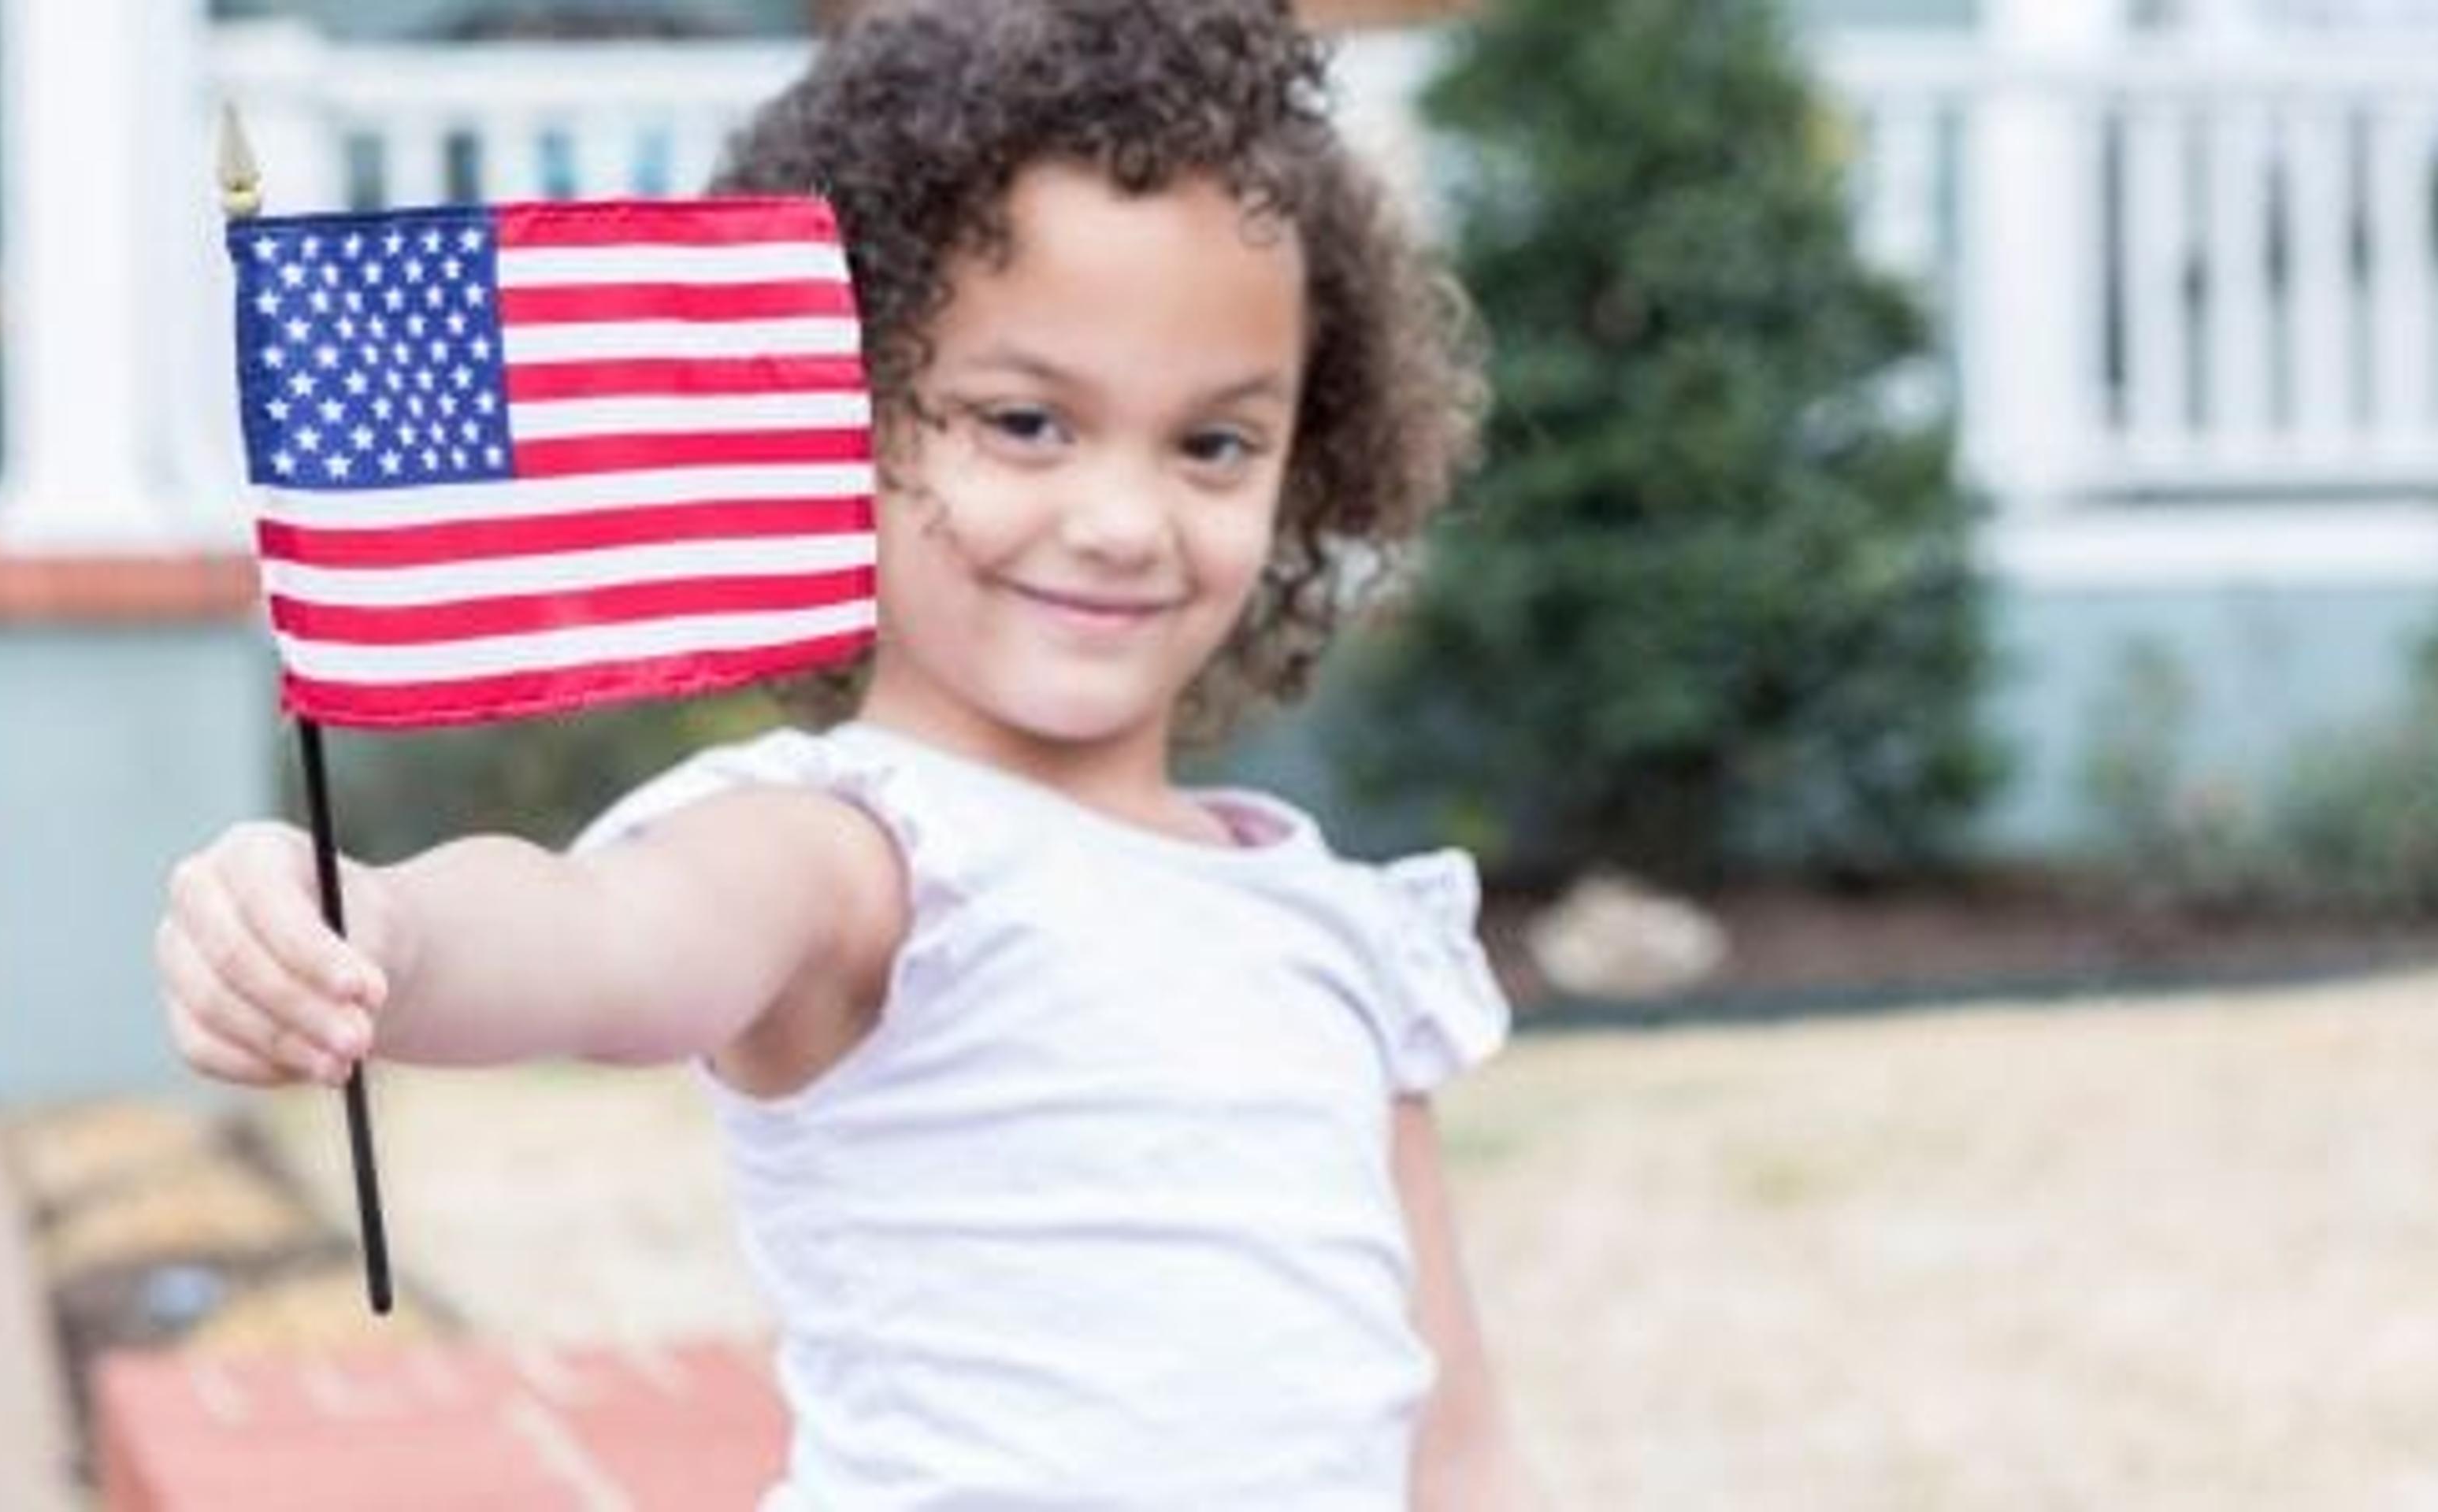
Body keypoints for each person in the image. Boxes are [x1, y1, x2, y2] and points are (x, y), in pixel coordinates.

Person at [156, 1, 1535, 1505]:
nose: (1126, 520)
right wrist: (385, 932)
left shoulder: (1339, 919)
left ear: (1312, 449)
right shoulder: (860, 846)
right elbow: (608, 936)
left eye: (1213, 445)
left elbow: (1451, 1428)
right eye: (1025, 422)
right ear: (840, 418)